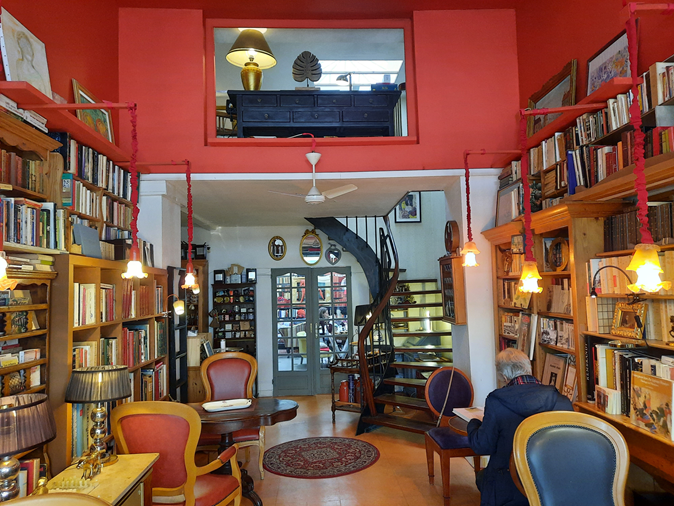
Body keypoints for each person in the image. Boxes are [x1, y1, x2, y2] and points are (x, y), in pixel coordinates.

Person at [467, 348, 573, 506]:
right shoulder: (561, 401)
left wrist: (473, 424)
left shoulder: (496, 402)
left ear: (504, 376)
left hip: (508, 487)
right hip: (551, 484)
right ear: (529, 369)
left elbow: (482, 446)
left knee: (482, 477)